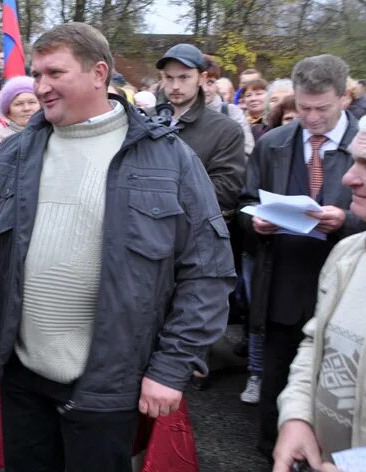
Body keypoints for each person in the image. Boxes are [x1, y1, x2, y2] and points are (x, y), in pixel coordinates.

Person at [0, 22, 235, 472]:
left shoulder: (167, 159)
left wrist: (170, 368)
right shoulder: (17, 154)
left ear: (98, 74)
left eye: (55, 73)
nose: (41, 86)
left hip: (109, 388)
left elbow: (207, 271)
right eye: (36, 75)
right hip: (23, 379)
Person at [240, 54, 366, 456]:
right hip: (284, 290)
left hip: (348, 295)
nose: (310, 118)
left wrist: (343, 222)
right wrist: (255, 223)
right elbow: (243, 203)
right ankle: (275, 456)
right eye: (303, 107)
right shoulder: (274, 144)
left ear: (344, 98)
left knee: (343, 393)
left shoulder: (360, 146)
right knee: (278, 389)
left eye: (321, 109)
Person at [272, 115, 366, 472]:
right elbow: (317, 344)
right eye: (354, 160)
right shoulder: (348, 254)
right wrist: (297, 416)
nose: (348, 178)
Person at [155, 43, 246, 216]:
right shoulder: (145, 121)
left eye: (184, 77)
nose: (175, 86)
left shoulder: (226, 130)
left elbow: (226, 192)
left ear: (202, 78)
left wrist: (162, 193)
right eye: (168, 77)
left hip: (194, 233)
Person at [0, 75, 40, 172]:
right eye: (19, 104)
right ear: (8, 112)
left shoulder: (53, 132)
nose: (26, 108)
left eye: (32, 102)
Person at [203, 55, 254, 156]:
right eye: (200, 83)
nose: (205, 89)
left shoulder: (231, 112)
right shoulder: (178, 113)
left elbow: (247, 149)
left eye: (210, 82)